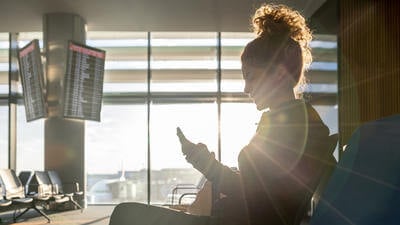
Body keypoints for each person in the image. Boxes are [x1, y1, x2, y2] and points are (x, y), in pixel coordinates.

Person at [109, 3, 334, 225]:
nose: (246, 88)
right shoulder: (299, 123)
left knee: (125, 215)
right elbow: (255, 191)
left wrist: (205, 164)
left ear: (277, 74)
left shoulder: (289, 128)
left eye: (251, 76)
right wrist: (202, 161)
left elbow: (256, 199)